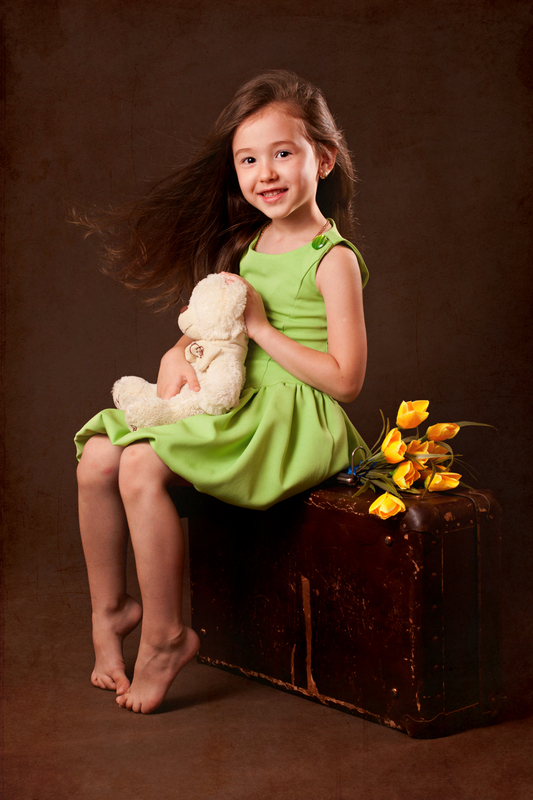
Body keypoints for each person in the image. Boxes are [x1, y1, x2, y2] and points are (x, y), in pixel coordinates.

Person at [74, 70, 369, 714]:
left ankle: (165, 636)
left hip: (295, 416)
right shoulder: (250, 244)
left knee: (140, 464)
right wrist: (176, 350)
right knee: (96, 455)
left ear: (323, 158)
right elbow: (214, 321)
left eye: (282, 153)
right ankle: (110, 610)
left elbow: (346, 379)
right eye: (248, 159)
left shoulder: (333, 258)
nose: (265, 172)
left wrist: (261, 328)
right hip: (237, 397)